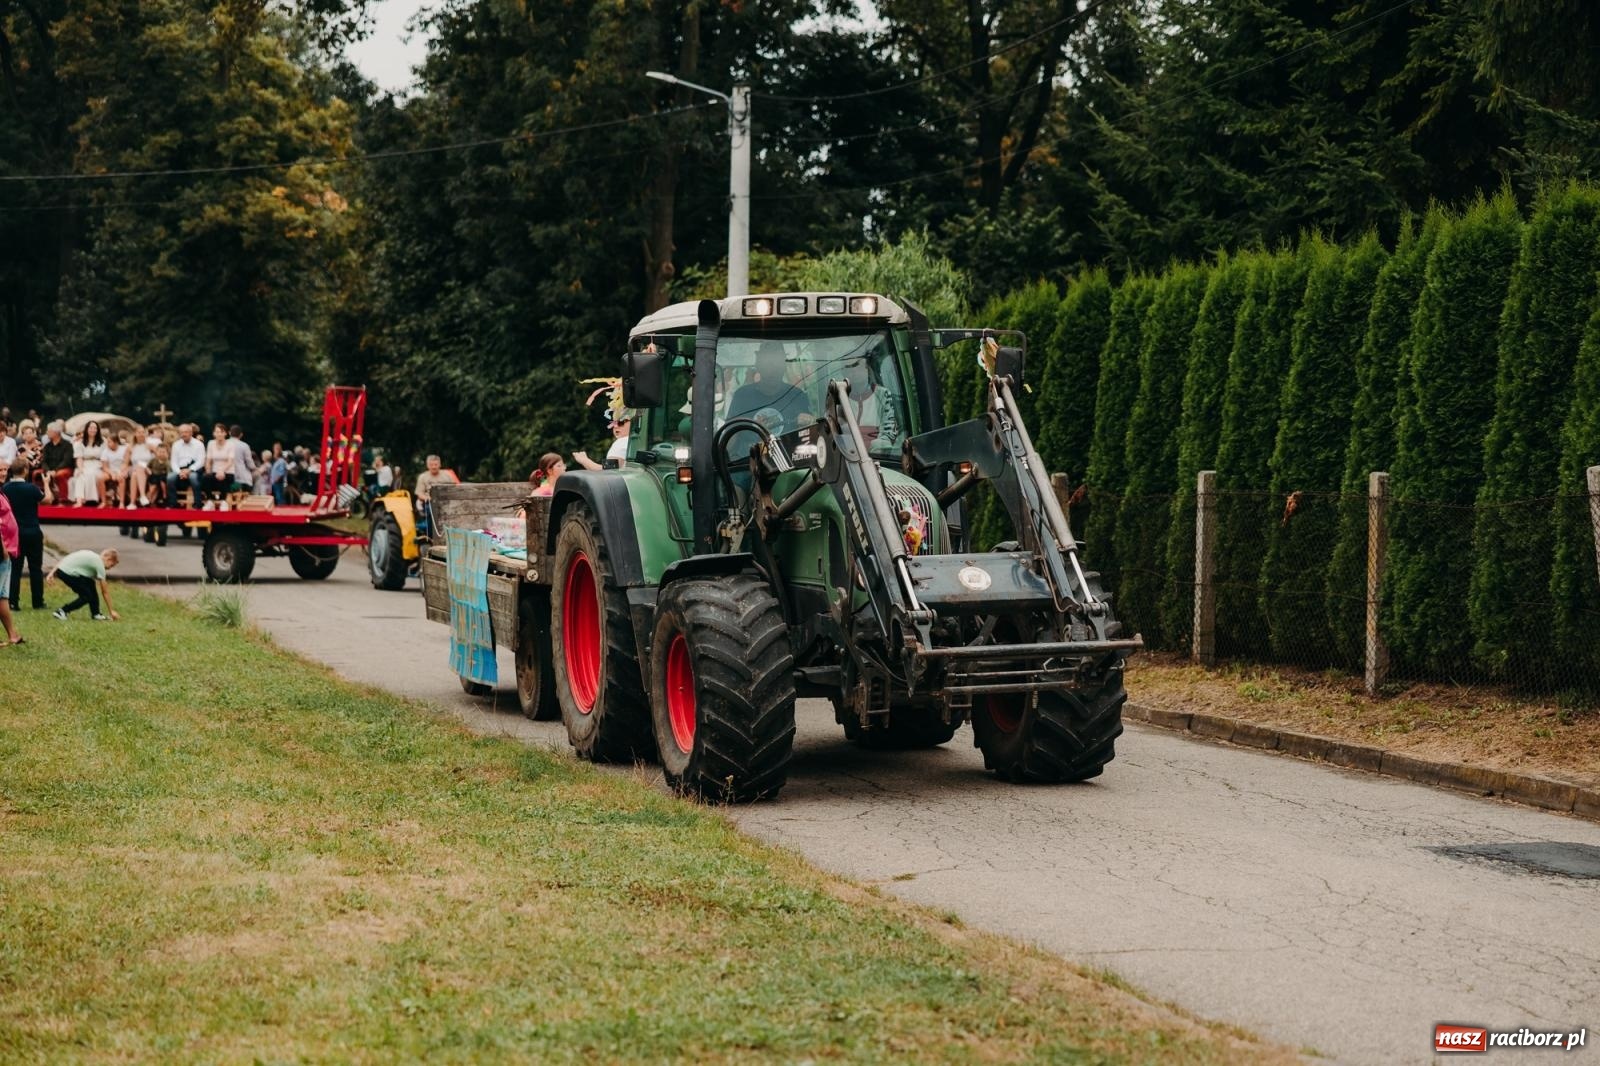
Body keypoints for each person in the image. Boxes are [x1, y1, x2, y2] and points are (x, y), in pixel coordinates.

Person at [727, 339, 811, 433]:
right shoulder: (742, 396)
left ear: (784, 367)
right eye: (768, 364)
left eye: (777, 364)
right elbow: (729, 437)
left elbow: (810, 435)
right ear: (758, 366)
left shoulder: (797, 396)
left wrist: (809, 423)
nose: (772, 370)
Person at [3, 461, 45, 610]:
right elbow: (46, 500)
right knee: (35, 568)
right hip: (32, 531)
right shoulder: (32, 488)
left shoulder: (5, 488)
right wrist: (46, 484)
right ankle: (38, 601)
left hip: (15, 533)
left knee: (15, 568)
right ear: (25, 470)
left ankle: (13, 601)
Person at [47, 548, 119, 621]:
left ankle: (96, 614)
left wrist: (52, 572)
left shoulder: (92, 555)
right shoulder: (99, 564)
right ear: (109, 559)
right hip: (68, 574)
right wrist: (111, 611)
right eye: (112, 565)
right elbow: (104, 591)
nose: (110, 568)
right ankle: (61, 611)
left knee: (90, 582)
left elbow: (65, 559)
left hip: (62, 571)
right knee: (86, 596)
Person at [0, 489, 22, 644]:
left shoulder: (2, 492)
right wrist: (3, 549)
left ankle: (12, 635)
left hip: (7, 551)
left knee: (2, 596)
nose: (3, 476)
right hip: (2, 552)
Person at [167, 422, 205, 508]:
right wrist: (180, 472)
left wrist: (189, 470)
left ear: (191, 433)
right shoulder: (176, 445)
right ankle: (173, 503)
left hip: (194, 469)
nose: (183, 434)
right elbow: (173, 462)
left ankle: (197, 504)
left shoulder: (199, 444)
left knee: (193, 477)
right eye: (181, 432)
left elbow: (201, 461)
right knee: (170, 477)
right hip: (179, 470)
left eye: (186, 432)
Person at [71, 419, 105, 506]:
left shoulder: (102, 442)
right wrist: (80, 468)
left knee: (92, 474)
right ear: (86, 429)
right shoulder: (80, 443)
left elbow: (104, 457)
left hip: (98, 464)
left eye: (95, 428)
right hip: (84, 463)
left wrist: (103, 467)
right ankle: (79, 500)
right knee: (80, 474)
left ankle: (92, 499)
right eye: (91, 428)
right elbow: (79, 458)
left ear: (97, 430)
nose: (93, 430)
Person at [41, 421, 74, 504]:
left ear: (56, 432)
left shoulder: (67, 445)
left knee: (60, 474)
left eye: (49, 431)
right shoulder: (47, 446)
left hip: (64, 468)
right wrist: (48, 470)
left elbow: (66, 461)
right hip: (50, 469)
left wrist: (55, 470)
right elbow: (44, 461)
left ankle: (63, 499)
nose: (46, 433)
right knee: (37, 473)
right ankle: (42, 498)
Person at [204, 422, 234, 506]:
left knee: (222, 478)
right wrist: (208, 470)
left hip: (228, 471)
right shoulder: (211, 443)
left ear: (225, 433)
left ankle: (223, 501)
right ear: (214, 433)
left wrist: (222, 471)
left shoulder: (230, 444)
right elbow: (208, 460)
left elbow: (230, 461)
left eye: (221, 432)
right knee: (206, 478)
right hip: (214, 471)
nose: (219, 434)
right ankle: (210, 501)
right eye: (217, 432)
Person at [101, 430, 131, 506]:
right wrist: (112, 473)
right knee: (100, 478)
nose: (108, 444)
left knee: (121, 478)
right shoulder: (105, 451)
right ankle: (103, 501)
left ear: (116, 442)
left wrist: (119, 472)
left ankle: (121, 502)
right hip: (110, 471)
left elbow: (126, 463)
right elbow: (105, 467)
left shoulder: (124, 449)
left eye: (109, 442)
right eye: (107, 442)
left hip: (122, 470)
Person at [228, 424, 255, 493]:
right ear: (241, 435)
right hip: (242, 478)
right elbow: (250, 464)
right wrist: (255, 468)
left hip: (226, 478)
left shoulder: (225, 444)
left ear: (229, 433)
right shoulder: (244, 446)